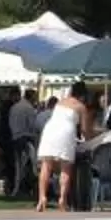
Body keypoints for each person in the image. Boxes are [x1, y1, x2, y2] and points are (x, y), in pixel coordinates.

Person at [34, 84, 81, 212]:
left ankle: (42, 197)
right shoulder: (80, 106)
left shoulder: (60, 102)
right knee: (66, 167)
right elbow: (86, 130)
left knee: (46, 165)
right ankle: (62, 199)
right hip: (66, 132)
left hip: (50, 130)